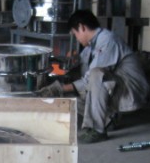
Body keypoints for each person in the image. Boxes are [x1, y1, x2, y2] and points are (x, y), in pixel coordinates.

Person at [37, 9, 149, 143]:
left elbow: (90, 79)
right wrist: (65, 68)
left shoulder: (107, 40)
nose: (76, 39)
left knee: (96, 74)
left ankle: (97, 130)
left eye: (75, 34)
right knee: (69, 97)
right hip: (116, 89)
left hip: (131, 90)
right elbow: (78, 69)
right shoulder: (90, 47)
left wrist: (59, 88)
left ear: (82, 27)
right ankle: (108, 118)